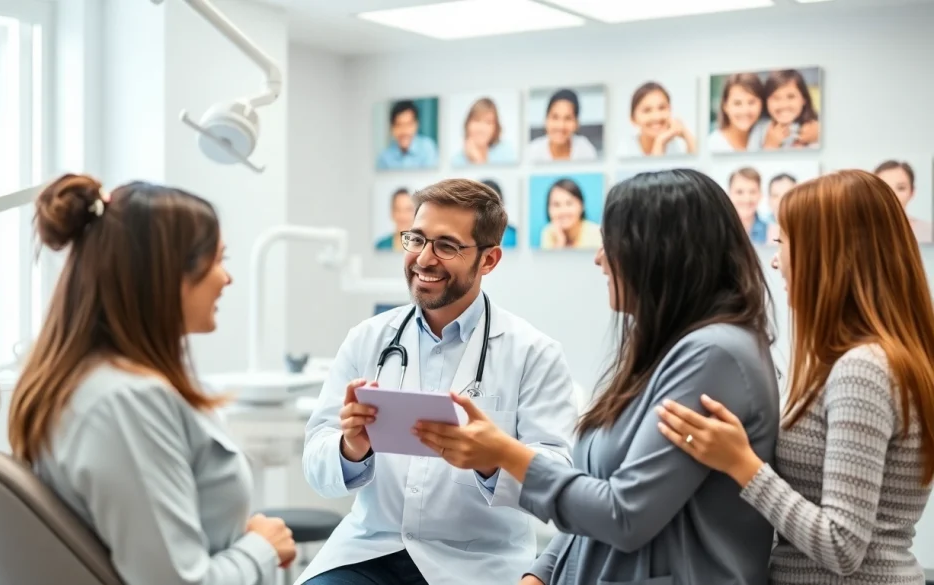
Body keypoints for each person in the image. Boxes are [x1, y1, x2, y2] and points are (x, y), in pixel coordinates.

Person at [415, 169, 781, 585]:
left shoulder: (714, 356)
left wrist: (504, 453)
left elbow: (624, 515)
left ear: (660, 253)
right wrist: (541, 572)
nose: (598, 258)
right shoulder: (667, 348)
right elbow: (593, 488)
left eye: (612, 244)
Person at [8, 174, 295, 584]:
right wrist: (261, 549)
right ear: (166, 275)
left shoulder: (88, 384)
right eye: (217, 261)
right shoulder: (125, 404)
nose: (225, 279)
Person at [657, 169, 934, 585]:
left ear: (828, 255)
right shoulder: (870, 361)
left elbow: (842, 546)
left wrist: (741, 463)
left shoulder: (863, 370)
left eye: (783, 244)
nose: (775, 261)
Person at [298, 178, 578, 585]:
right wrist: (350, 449)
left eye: (446, 246)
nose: (423, 259)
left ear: (489, 260)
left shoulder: (534, 354)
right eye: (416, 239)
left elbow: (558, 480)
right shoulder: (367, 338)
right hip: (369, 551)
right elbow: (315, 462)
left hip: (477, 563)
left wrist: (491, 460)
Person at [620, 81, 696, 157]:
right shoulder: (624, 150)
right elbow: (654, 169)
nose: (656, 116)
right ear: (633, 119)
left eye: (662, 108)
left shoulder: (673, 144)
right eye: (647, 110)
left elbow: (698, 164)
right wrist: (660, 142)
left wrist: (685, 133)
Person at [526, 88, 598, 162]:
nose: (561, 126)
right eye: (555, 117)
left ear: (576, 123)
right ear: (546, 120)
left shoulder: (585, 150)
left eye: (568, 118)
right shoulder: (532, 152)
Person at [874, 159, 932, 243]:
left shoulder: (928, 231)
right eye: (885, 187)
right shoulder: (861, 231)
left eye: (901, 188)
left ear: (912, 192)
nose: (892, 194)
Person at [451, 97, 516, 167]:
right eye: (477, 120)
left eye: (488, 122)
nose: (481, 129)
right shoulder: (456, 161)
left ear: (495, 127)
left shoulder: (506, 151)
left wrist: (478, 160)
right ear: (467, 124)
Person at [540, 178, 601, 249]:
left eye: (569, 203)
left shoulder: (596, 233)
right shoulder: (548, 232)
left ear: (582, 206)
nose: (563, 211)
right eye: (556, 205)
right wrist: (560, 242)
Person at [376, 100, 438, 170]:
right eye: (398, 125)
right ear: (392, 128)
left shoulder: (428, 148)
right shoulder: (384, 157)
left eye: (408, 124)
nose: (404, 130)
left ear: (416, 125)